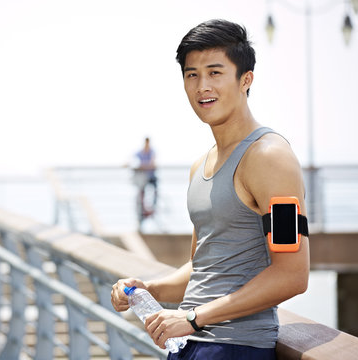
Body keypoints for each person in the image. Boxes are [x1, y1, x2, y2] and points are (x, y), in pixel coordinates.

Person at [111, 19, 309, 359]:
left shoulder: (269, 157)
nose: (202, 86)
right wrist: (150, 288)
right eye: (192, 75)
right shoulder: (199, 166)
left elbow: (292, 275)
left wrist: (193, 317)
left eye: (215, 73)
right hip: (190, 343)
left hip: (234, 347)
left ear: (245, 79)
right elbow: (203, 265)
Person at [133, 137, 158, 220]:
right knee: (142, 192)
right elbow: (133, 159)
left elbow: (152, 163)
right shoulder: (140, 152)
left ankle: (153, 207)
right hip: (143, 178)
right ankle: (143, 208)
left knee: (155, 191)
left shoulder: (152, 152)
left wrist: (144, 166)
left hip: (151, 177)